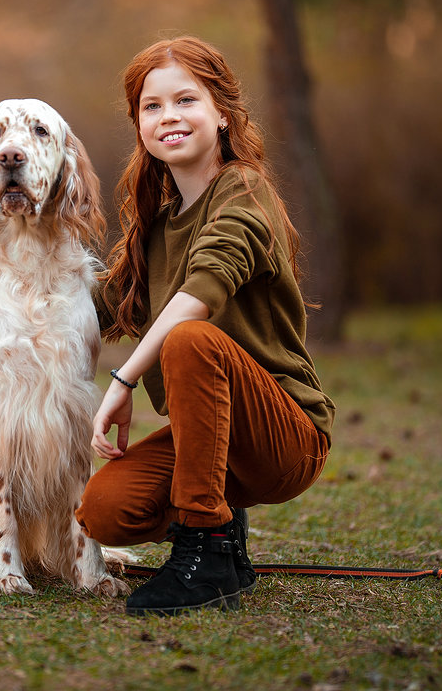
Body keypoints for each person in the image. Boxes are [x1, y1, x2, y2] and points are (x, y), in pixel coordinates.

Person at [75, 36, 335, 616]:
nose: (169, 116)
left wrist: (123, 381)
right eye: (152, 106)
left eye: (186, 99)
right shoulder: (159, 226)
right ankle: (222, 524)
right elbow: (97, 306)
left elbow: (200, 296)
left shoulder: (245, 191)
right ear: (138, 123)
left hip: (285, 438)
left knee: (191, 339)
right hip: (209, 437)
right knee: (104, 510)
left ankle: (209, 550)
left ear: (222, 112)